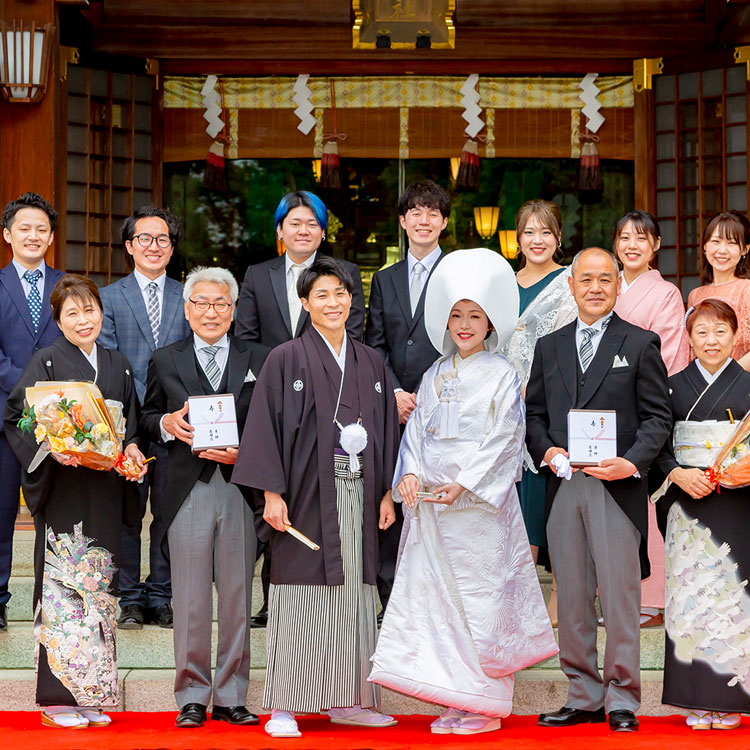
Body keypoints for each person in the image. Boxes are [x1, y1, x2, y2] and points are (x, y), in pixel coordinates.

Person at [369, 248, 558, 735]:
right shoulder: (434, 375)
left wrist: (465, 483)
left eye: (475, 315)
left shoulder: (502, 374)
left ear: (491, 323)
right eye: (457, 315)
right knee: (442, 604)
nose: (465, 324)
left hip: (477, 510)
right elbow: (416, 436)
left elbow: (505, 439)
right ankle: (456, 697)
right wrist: (407, 474)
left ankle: (487, 703)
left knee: (482, 601)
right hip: (434, 507)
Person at [233, 257, 400, 739]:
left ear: (352, 300)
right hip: (305, 494)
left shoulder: (370, 360)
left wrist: (387, 492)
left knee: (355, 596)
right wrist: (270, 493)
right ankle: (285, 703)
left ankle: (350, 700)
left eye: (341, 294)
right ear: (304, 303)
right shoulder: (285, 357)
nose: (333, 302)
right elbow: (264, 427)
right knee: (299, 596)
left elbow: (387, 430)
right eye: (322, 295)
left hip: (360, 492)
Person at [525, 247, 672, 732]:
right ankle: (583, 694)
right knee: (572, 596)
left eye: (605, 279)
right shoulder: (549, 346)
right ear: (572, 285)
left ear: (616, 285)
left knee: (620, 596)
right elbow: (534, 416)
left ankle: (623, 698)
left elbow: (657, 417)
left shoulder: (641, 341)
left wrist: (631, 461)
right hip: (565, 484)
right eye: (585, 279)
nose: (594, 287)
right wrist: (548, 452)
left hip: (616, 487)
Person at [3, 274, 147, 729]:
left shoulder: (118, 364)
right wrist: (51, 448)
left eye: (89, 310)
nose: (83, 320)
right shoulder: (45, 361)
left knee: (100, 591)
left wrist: (133, 452)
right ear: (59, 321)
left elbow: (134, 427)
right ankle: (57, 699)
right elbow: (15, 416)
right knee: (63, 593)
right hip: (63, 491)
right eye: (72, 313)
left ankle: (92, 695)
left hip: (105, 490)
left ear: (100, 313)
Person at [140, 266, 267, 729]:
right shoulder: (164, 358)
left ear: (233, 311)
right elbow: (147, 416)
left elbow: (274, 424)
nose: (210, 312)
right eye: (201, 303)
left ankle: (233, 694)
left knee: (236, 595)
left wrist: (246, 453)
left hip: (238, 487)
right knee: (190, 598)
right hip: (185, 488)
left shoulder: (260, 356)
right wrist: (166, 424)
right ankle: (192, 693)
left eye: (220, 304)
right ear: (187, 310)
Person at [234, 190, 366, 628]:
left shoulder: (344, 275)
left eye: (312, 223)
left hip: (334, 401)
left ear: (323, 232)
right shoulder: (258, 274)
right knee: (276, 500)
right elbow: (248, 338)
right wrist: (284, 371)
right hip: (276, 398)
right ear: (280, 231)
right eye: (294, 223)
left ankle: (339, 600)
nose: (303, 230)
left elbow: (357, 333)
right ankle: (275, 597)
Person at [653, 299, 750, 731]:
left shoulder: (748, 384)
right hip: (688, 500)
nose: (712, 340)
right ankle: (695, 697)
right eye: (702, 333)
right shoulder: (670, 387)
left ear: (736, 336)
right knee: (692, 594)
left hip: (738, 500)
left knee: (732, 594)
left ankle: (730, 699)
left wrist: (742, 471)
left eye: (721, 331)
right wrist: (677, 473)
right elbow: (655, 441)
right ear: (689, 340)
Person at [99, 206, 190, 630]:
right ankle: (130, 597)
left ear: (172, 249)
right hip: (126, 427)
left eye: (162, 240)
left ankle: (162, 594)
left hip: (176, 422)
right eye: (145, 239)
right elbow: (111, 363)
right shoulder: (109, 298)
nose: (153, 247)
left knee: (169, 515)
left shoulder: (189, 295)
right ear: (129, 246)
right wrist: (129, 427)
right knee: (128, 515)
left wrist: (174, 415)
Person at [365, 179, 450, 616]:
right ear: (402, 221)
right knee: (395, 493)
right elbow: (373, 343)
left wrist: (435, 393)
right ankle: (390, 596)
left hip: (445, 404)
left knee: (438, 496)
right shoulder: (384, 279)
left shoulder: (457, 274)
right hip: (395, 407)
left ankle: (437, 596)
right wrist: (395, 391)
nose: (423, 219)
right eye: (415, 212)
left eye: (432, 212)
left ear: (444, 222)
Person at [612, 210, 690, 629]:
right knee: (612, 502)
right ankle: (614, 592)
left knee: (647, 498)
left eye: (642, 238)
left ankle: (651, 596)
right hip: (605, 410)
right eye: (624, 238)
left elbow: (668, 355)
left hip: (644, 406)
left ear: (656, 246)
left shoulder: (666, 295)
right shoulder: (607, 285)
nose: (632, 245)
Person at [501, 199, 577, 625]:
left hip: (550, 407)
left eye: (545, 232)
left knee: (553, 505)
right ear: (517, 239)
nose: (537, 240)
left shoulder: (568, 285)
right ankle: (520, 598)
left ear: (559, 239)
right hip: (502, 411)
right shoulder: (501, 284)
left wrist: (537, 388)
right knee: (516, 503)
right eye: (529, 232)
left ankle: (558, 598)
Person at [0, 193, 63, 632]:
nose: (33, 236)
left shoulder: (66, 285)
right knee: (1, 512)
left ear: (52, 236)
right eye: (25, 228)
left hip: (59, 421)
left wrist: (53, 399)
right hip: (6, 418)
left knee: (58, 515)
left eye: (41, 229)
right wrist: (27, 392)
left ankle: (57, 600)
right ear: (8, 235)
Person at [687, 211, 750, 368]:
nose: (722, 250)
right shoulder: (695, 295)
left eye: (732, 243)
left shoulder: (747, 289)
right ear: (705, 246)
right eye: (716, 241)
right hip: (702, 385)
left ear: (745, 250)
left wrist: (726, 379)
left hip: (740, 385)